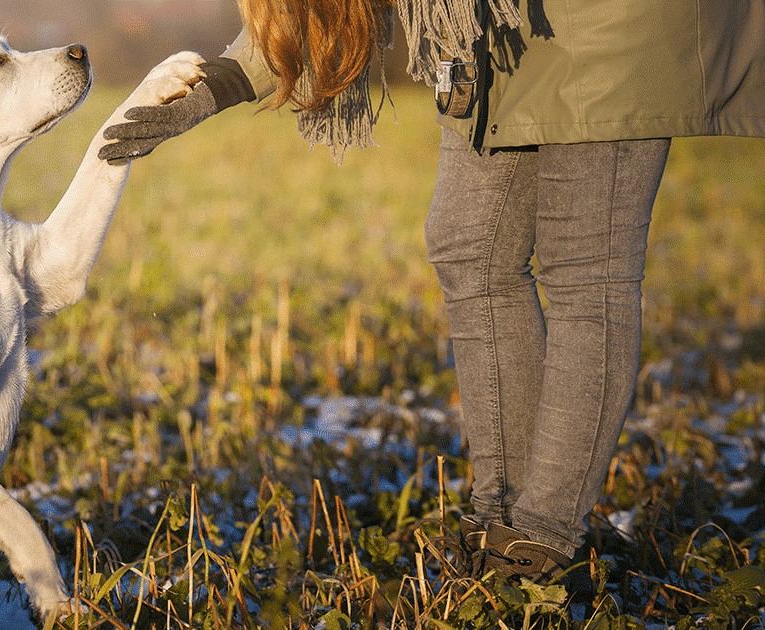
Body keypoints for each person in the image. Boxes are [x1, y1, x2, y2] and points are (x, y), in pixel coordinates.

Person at [99, 0, 765, 585]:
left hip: (611, 22)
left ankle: (542, 538)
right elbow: (325, 5)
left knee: (585, 267)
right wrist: (218, 83)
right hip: (493, 26)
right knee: (470, 246)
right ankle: (502, 514)